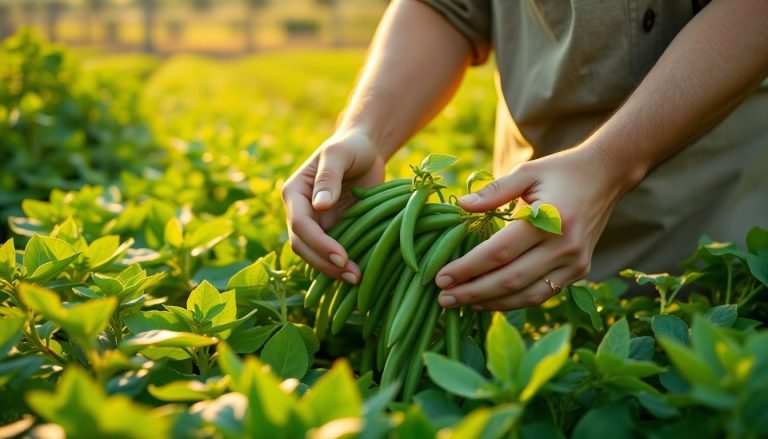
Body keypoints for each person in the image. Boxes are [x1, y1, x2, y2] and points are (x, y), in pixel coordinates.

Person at [282, 0, 768, 311]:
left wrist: (611, 163)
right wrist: (367, 129)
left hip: (722, 242)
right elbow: (448, 7)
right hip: (521, 253)